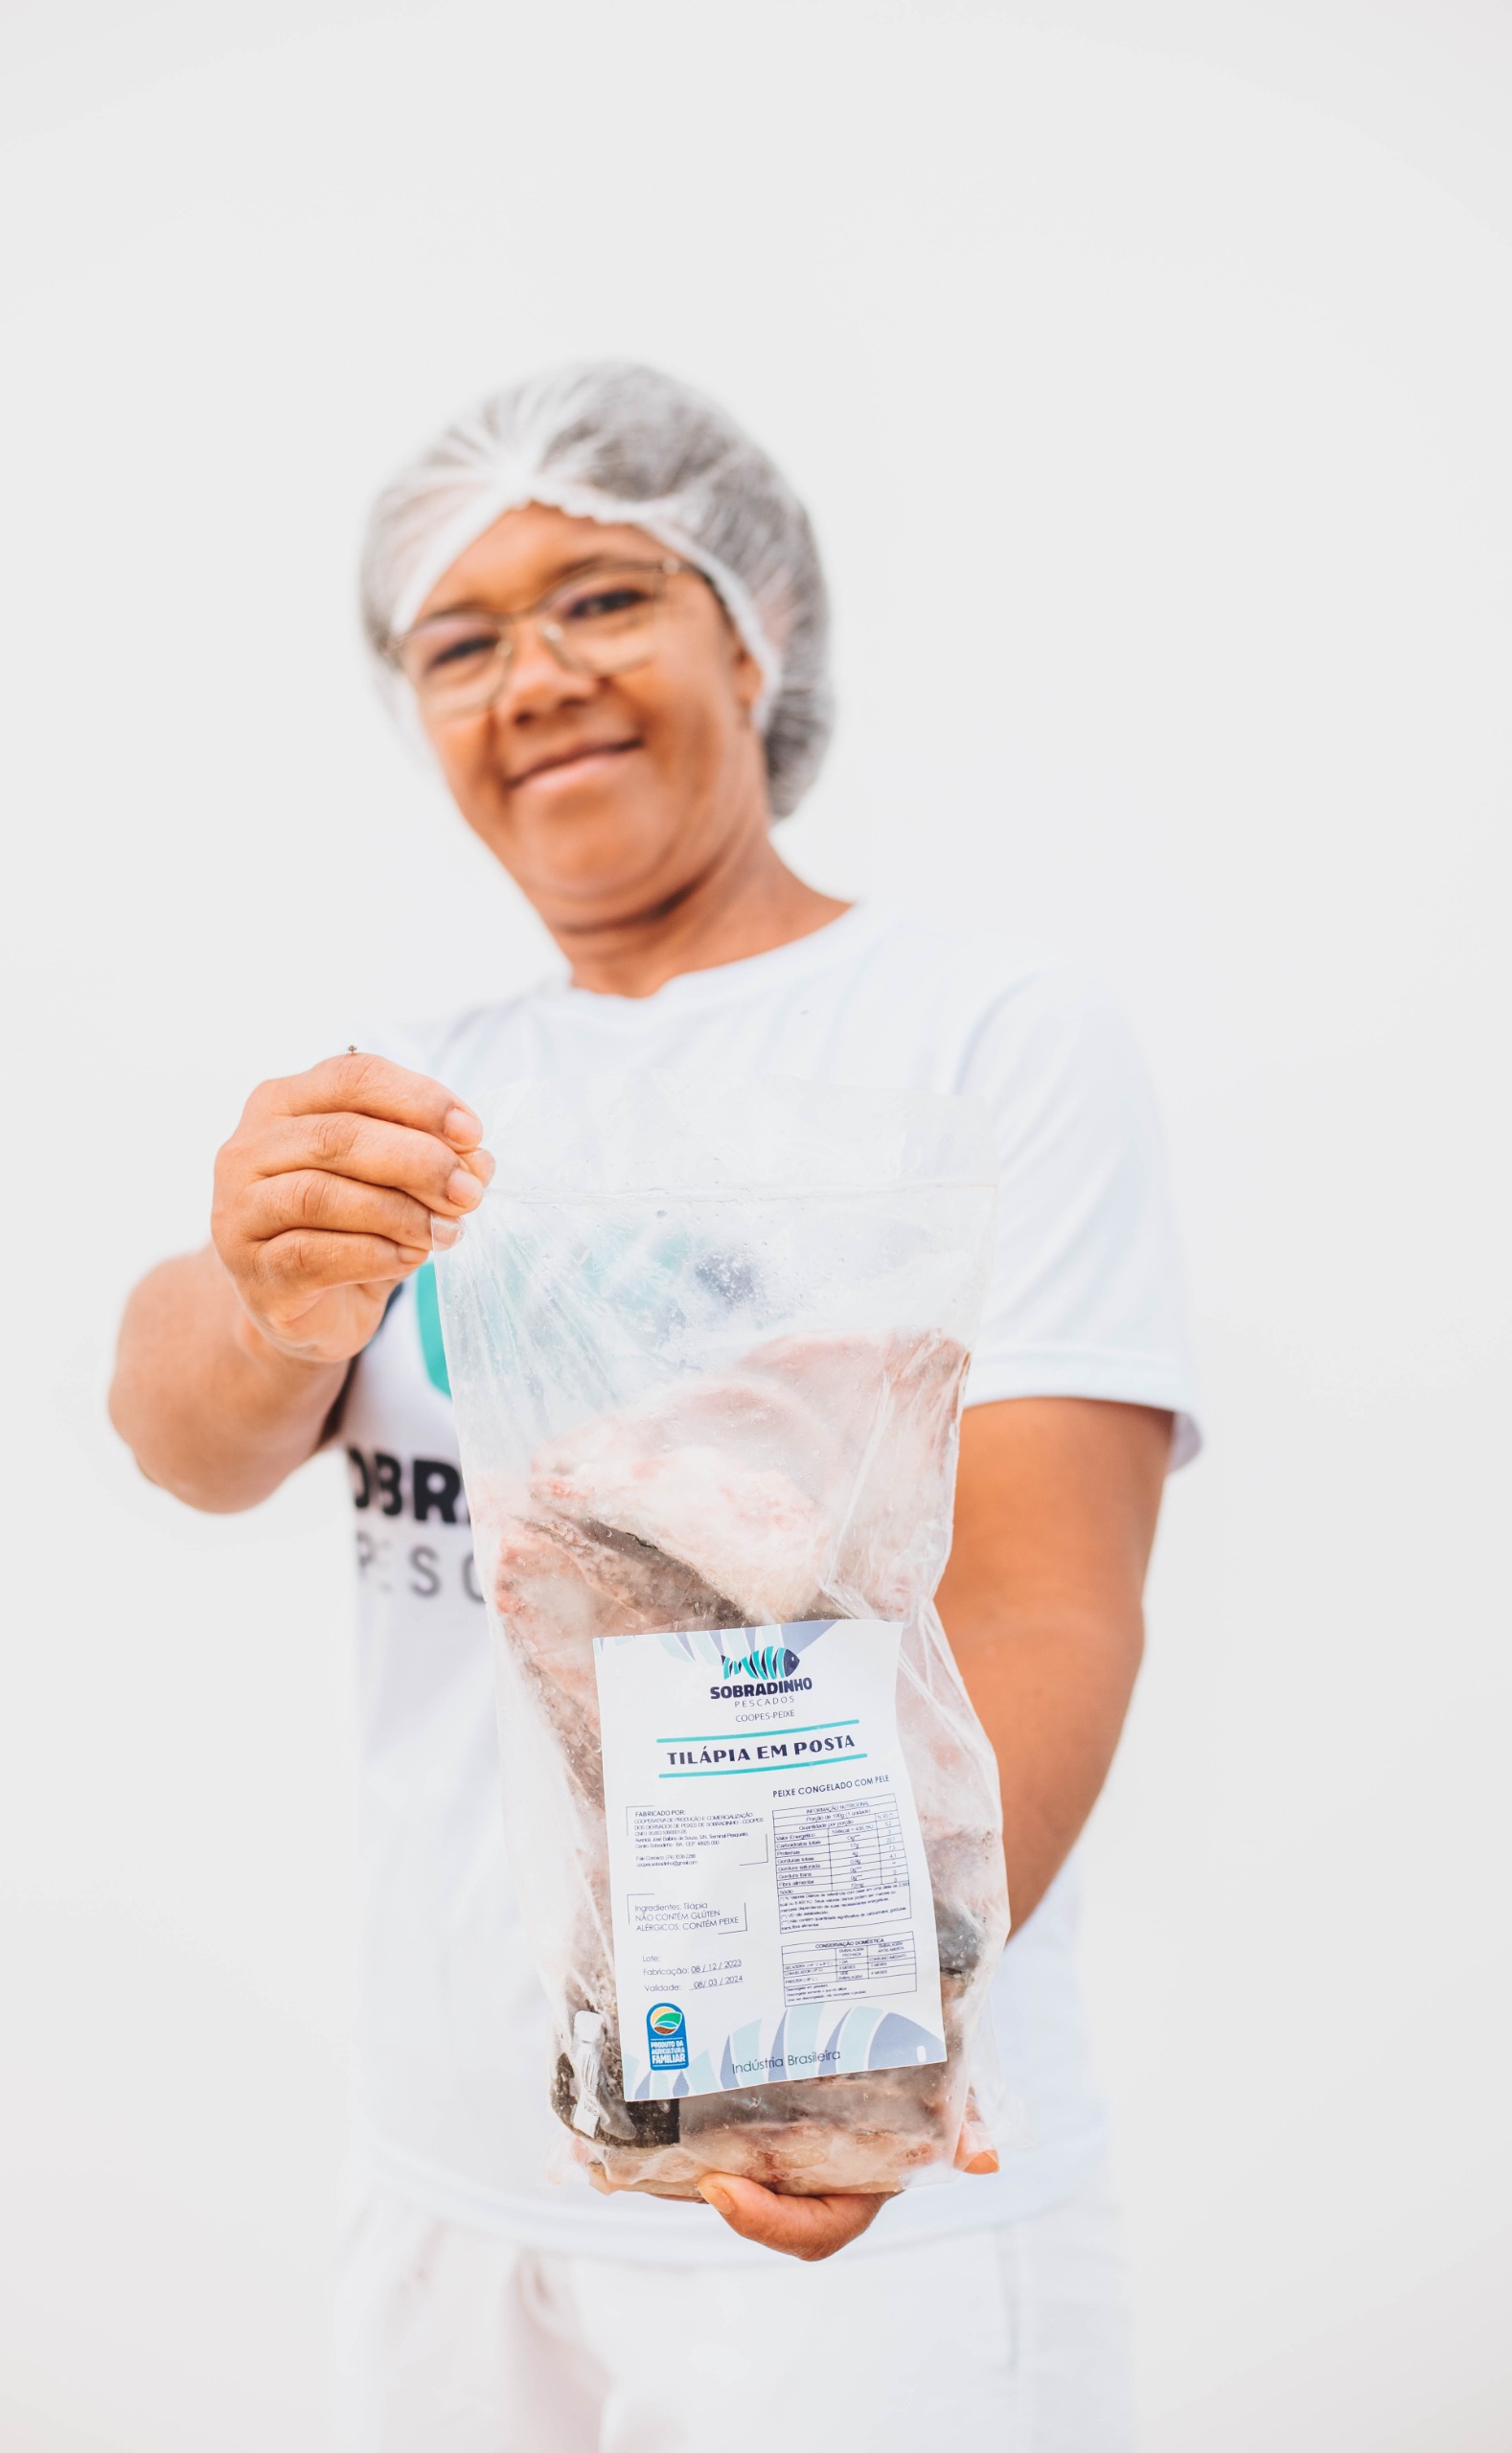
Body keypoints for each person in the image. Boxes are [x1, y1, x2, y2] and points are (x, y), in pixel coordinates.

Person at [110, 361, 1199, 2452]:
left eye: (602, 597)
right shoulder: (410, 1077)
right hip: (455, 2171)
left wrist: (853, 2037)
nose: (532, 675)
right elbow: (185, 1433)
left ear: (754, 633)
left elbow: (1049, 1596)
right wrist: (266, 1299)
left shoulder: (979, 1034)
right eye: (459, 639)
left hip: (849, 2173)